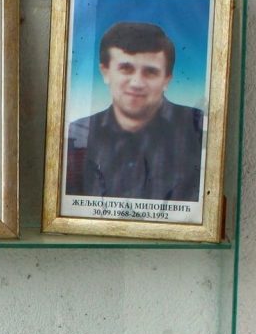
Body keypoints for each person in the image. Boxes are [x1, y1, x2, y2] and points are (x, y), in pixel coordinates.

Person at [65, 22, 203, 201]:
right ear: (105, 72)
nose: (137, 83)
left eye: (150, 72)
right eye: (126, 69)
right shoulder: (79, 131)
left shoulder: (198, 128)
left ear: (167, 79)